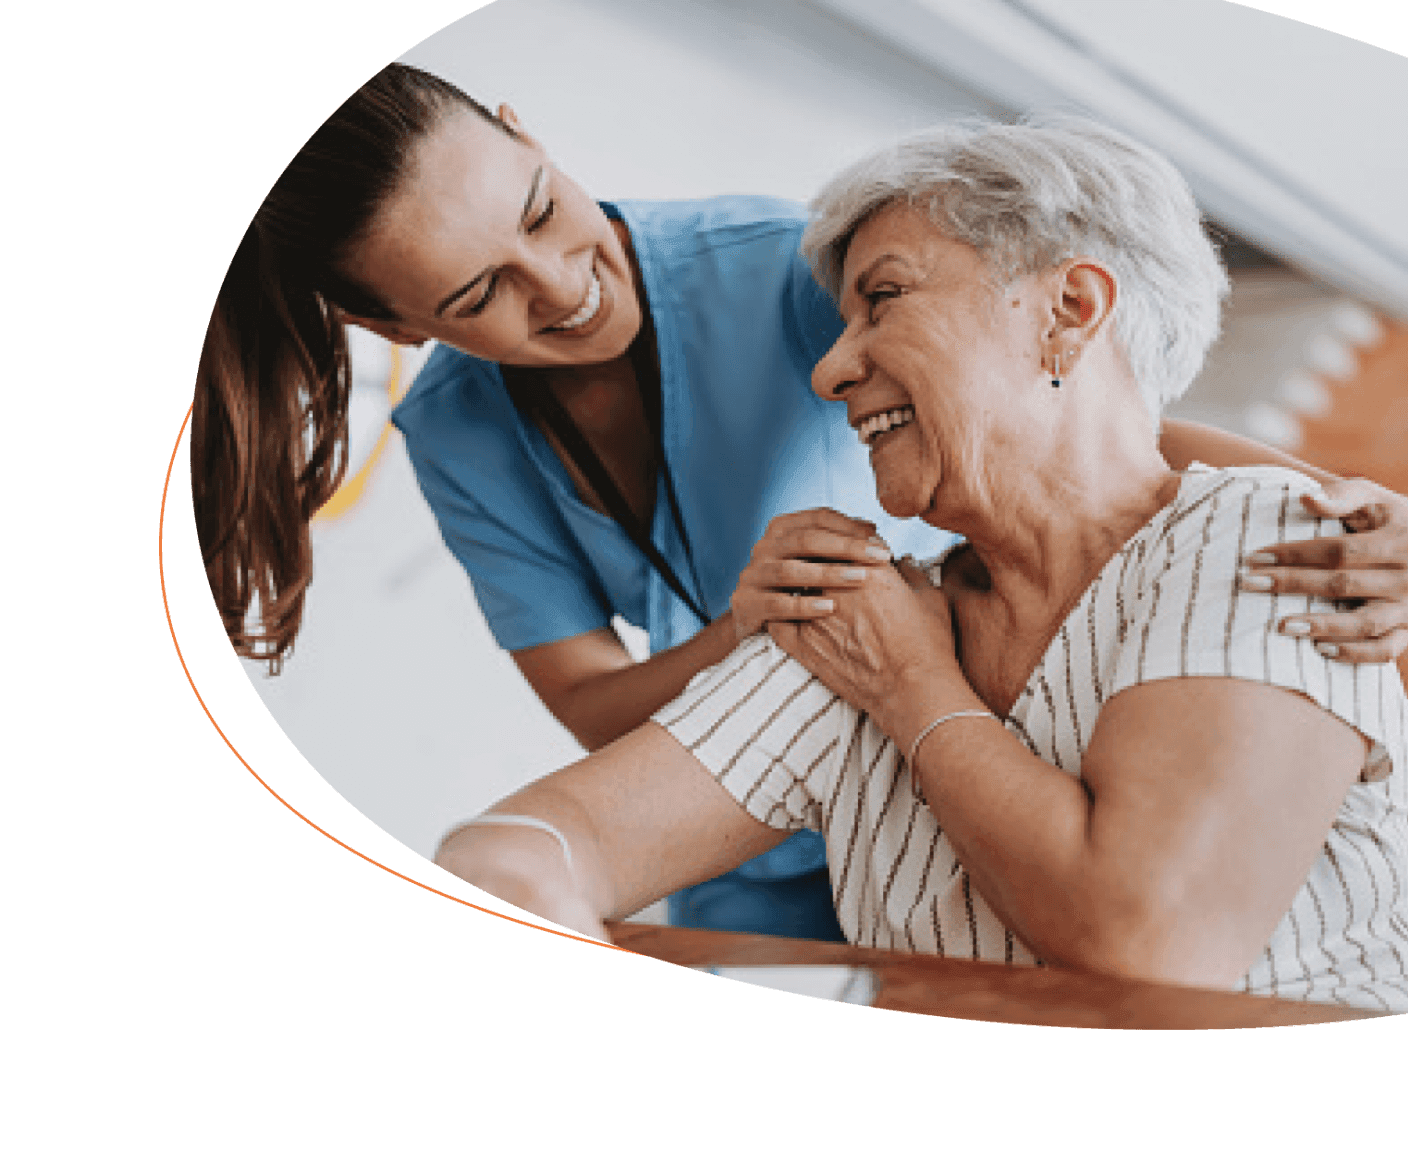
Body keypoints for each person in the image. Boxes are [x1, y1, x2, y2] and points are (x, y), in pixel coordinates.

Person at [193, 62, 1408, 944]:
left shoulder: (788, 269)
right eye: (478, 297)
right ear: (398, 329)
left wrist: (1326, 504)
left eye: (542, 213)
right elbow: (583, 730)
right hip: (779, 790)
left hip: (931, 719)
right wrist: (765, 631)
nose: (561, 286)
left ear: (532, 137)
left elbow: (1055, 422)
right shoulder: (461, 434)